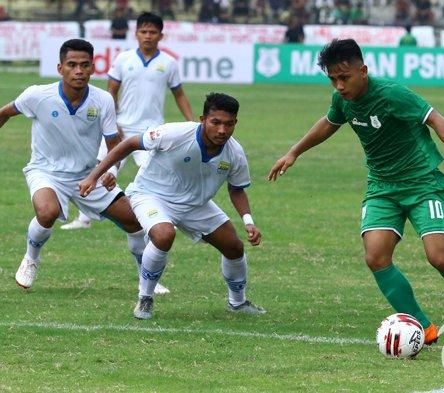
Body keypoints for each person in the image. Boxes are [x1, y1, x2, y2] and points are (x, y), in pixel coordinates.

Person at [268, 38, 444, 345]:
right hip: (382, 187)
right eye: (332, 79)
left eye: (344, 78)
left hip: (423, 182)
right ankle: (422, 325)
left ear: (363, 71)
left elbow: (435, 118)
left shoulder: (392, 94)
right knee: (375, 256)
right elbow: (329, 123)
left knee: (439, 258)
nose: (338, 86)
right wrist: (293, 152)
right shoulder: (343, 100)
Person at [79, 93, 264, 320]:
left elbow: (236, 189)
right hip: (150, 195)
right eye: (216, 122)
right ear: (202, 119)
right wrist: (94, 176)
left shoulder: (234, 153)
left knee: (234, 246)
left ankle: (238, 302)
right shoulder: (174, 133)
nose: (222, 130)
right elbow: (128, 144)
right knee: (164, 234)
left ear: (235, 123)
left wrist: (248, 221)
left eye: (229, 124)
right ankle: (145, 298)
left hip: (195, 204)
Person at [0, 39, 147, 290]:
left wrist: (111, 170)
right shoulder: (38, 95)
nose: (78, 70)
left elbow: (115, 145)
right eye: (72, 65)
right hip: (46, 172)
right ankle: (31, 259)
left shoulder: (103, 101)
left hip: (89, 176)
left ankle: (147, 278)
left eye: (84, 65)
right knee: (47, 212)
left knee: (134, 221)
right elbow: (4, 113)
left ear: (93, 68)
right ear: (60, 68)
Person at [62, 12, 193, 232]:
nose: (148, 36)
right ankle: (83, 218)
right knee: (98, 167)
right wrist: (112, 121)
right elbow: (111, 91)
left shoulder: (169, 63)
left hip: (151, 131)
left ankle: (160, 216)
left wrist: (192, 122)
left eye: (152, 32)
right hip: (120, 128)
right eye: (143, 31)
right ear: (136, 34)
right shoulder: (124, 59)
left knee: (155, 175)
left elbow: (179, 94)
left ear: (161, 35)